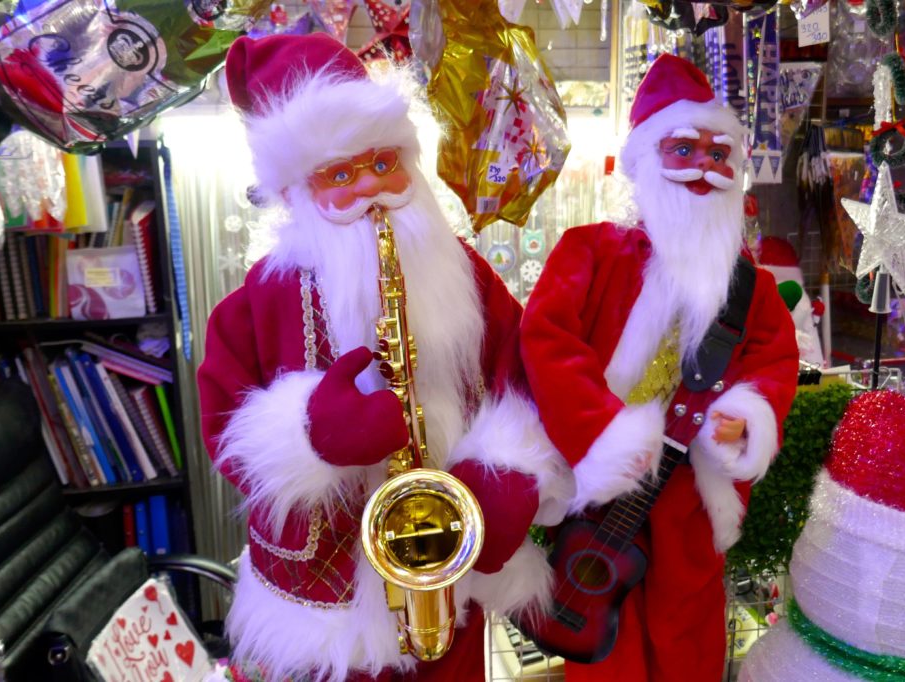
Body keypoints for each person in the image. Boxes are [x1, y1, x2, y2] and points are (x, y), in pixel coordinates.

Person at [197, 33, 570, 682]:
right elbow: (223, 429)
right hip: (321, 601)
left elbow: (525, 375)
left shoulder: (466, 272)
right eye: (341, 174)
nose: (372, 189)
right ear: (295, 193)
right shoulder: (260, 298)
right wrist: (310, 435)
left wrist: (510, 469)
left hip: (447, 569)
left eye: (383, 163)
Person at [520, 54, 799, 681]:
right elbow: (546, 340)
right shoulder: (589, 251)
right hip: (599, 488)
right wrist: (602, 438)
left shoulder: (746, 285)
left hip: (690, 495)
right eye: (683, 149)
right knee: (603, 638)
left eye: (718, 153)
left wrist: (745, 417)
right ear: (645, 161)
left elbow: (775, 359)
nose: (705, 167)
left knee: (687, 627)